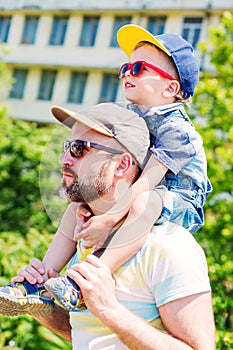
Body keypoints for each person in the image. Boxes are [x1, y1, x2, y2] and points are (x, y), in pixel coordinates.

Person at [0, 24, 212, 313]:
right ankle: (42, 277)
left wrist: (110, 219)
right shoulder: (132, 115)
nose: (126, 73)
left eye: (138, 68)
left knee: (143, 203)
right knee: (78, 204)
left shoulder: (177, 128)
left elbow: (148, 180)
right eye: (125, 67)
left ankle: (88, 278)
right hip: (141, 191)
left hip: (178, 197)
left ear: (170, 88)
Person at [9, 102, 215, 349]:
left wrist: (110, 309)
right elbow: (96, 339)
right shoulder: (84, 240)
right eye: (66, 147)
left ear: (122, 165)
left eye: (79, 149)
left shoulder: (167, 246)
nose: (64, 159)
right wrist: (42, 306)